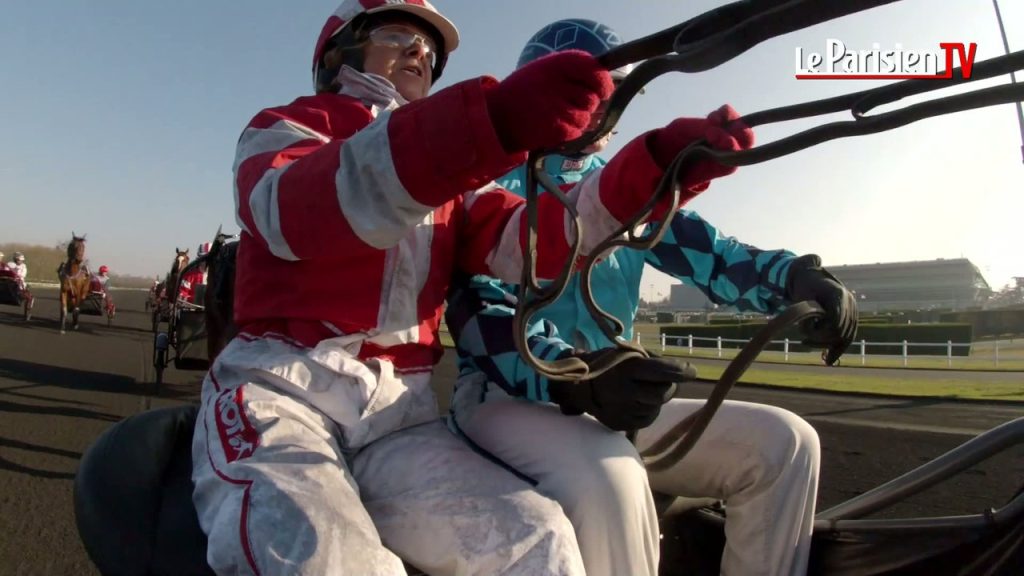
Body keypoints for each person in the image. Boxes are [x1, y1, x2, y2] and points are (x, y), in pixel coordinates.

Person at [190, 1, 753, 574]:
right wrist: (492, 122)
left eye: (429, 51)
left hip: (398, 417)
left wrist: (655, 173)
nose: (419, 52)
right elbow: (297, 212)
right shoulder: (286, 127)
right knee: (327, 561)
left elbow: (541, 239)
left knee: (541, 539)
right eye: (397, 35)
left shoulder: (454, 182)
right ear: (337, 54)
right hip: (280, 394)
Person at [445, 18, 858, 576]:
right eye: (580, 91)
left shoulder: (629, 183)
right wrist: (575, 374)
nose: (596, 108)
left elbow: (713, 255)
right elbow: (480, 316)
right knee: (611, 476)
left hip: (610, 395)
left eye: (608, 92)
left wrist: (794, 280)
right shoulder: (485, 185)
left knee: (787, 444)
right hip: (506, 402)